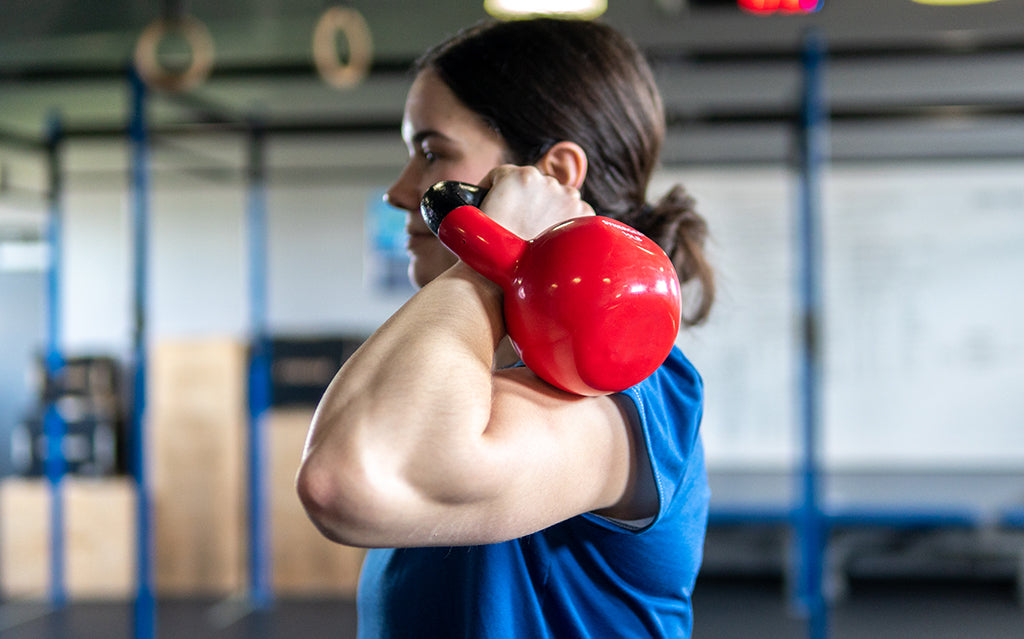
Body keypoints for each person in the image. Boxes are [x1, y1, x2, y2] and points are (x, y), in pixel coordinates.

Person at [297, 17, 716, 638]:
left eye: (433, 152)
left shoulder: (620, 393)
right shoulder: (474, 368)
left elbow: (348, 479)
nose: (398, 190)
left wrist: (501, 253)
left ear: (554, 176)